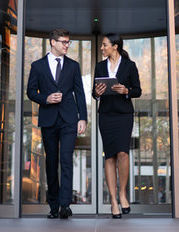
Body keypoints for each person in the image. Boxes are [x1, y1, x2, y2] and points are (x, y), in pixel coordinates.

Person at [26, 28, 88, 219]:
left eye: (68, 42)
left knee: (66, 160)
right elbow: (31, 92)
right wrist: (46, 98)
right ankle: (53, 205)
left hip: (69, 119)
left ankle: (64, 205)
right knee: (51, 163)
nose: (66, 45)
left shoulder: (73, 66)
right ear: (52, 42)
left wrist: (83, 117)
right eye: (63, 42)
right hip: (49, 119)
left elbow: (80, 93)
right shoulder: (37, 66)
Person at [92, 33, 141, 219]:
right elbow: (94, 94)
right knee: (109, 155)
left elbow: (138, 89)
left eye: (105, 45)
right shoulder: (99, 66)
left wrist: (126, 90)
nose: (102, 48)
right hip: (105, 115)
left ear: (115, 46)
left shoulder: (130, 66)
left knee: (123, 152)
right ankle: (113, 200)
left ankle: (123, 194)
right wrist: (97, 93)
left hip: (123, 115)